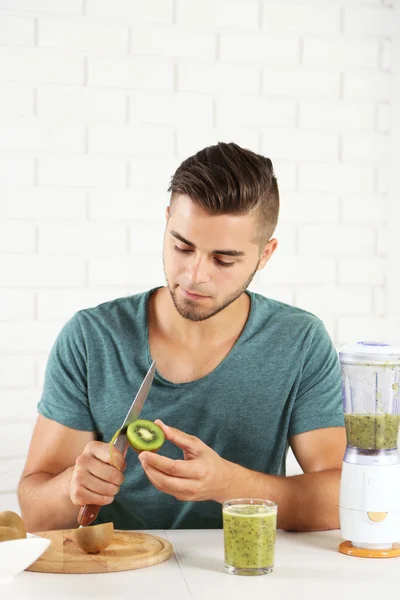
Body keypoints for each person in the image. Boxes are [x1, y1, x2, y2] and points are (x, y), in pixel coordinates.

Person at [18, 142, 346, 533]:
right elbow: (35, 514)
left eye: (223, 259)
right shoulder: (92, 337)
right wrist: (70, 489)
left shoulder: (300, 341)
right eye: (182, 246)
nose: (194, 275)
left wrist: (230, 485)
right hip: (114, 574)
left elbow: (345, 502)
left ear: (265, 255)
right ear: (167, 221)